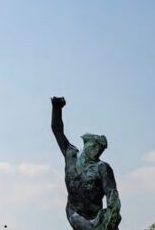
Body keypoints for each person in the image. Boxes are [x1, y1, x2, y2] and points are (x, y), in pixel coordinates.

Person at [52, 96, 121, 230]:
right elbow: (57, 130)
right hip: (75, 213)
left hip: (98, 216)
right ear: (86, 145)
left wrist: (112, 214)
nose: (97, 151)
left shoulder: (102, 168)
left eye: (100, 149)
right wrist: (56, 108)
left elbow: (112, 194)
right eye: (95, 147)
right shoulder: (70, 155)